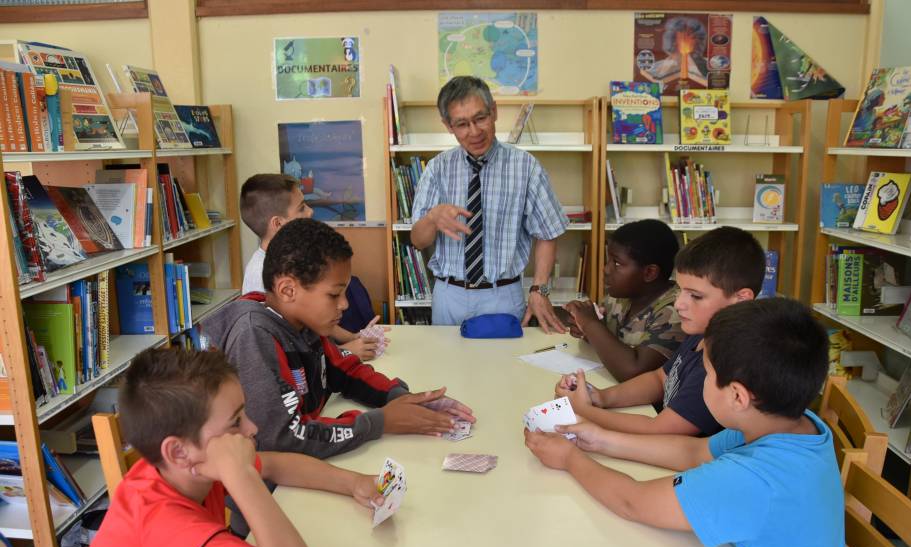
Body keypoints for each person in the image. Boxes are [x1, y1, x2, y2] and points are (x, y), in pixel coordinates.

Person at [526, 298, 859, 547]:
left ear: (738, 397)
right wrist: (599, 440)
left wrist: (569, 459)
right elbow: (694, 451)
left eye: (708, 374)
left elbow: (632, 501)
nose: (701, 382)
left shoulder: (753, 480)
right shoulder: (789, 425)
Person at [64, 348, 387, 547]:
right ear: (179, 452)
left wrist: (353, 483)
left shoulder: (188, 466)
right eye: (235, 422)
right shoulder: (163, 524)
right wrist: (242, 476)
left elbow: (274, 465)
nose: (251, 429)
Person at [202, 218, 473, 461]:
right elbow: (283, 437)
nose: (344, 305)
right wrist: (380, 422)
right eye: (334, 295)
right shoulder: (253, 336)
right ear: (288, 290)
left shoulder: (300, 322)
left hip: (304, 469)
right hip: (271, 489)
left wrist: (404, 399)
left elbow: (345, 370)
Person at [556, 226, 764, 437]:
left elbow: (660, 429)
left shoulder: (722, 360)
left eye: (696, 296)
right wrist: (601, 397)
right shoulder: (700, 334)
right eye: (681, 290)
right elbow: (659, 379)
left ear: (741, 299)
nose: (679, 303)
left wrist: (585, 411)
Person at [410, 76, 568, 332]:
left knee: (504, 370)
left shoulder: (526, 167)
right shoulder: (437, 169)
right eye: (462, 124)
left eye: (480, 118)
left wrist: (540, 289)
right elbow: (418, 241)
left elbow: (548, 233)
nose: (474, 132)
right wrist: (431, 218)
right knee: (446, 370)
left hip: (502, 296)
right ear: (448, 126)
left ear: (494, 111)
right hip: (449, 296)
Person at [239, 173, 385, 360]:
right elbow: (287, 353)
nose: (310, 212)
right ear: (278, 223)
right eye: (301, 208)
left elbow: (314, 321)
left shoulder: (291, 258)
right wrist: (345, 352)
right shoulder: (262, 274)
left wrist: (354, 338)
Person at [564, 219, 683, 381]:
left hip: (650, 405)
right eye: (608, 261)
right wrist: (584, 328)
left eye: (617, 263)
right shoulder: (619, 298)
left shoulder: (677, 310)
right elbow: (605, 338)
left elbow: (634, 371)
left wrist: (590, 324)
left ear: (649, 273)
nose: (606, 269)